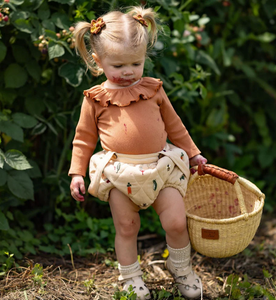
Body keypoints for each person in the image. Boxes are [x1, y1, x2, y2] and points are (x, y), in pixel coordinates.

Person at [69, 6, 207, 300]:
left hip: (161, 166)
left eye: (136, 62)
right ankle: (130, 277)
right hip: (120, 173)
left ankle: (181, 268)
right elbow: (83, 139)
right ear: (98, 61)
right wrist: (77, 172)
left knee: (176, 221)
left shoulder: (153, 89)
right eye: (118, 65)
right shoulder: (95, 99)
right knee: (127, 226)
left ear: (145, 56)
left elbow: (175, 125)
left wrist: (193, 154)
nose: (128, 71)